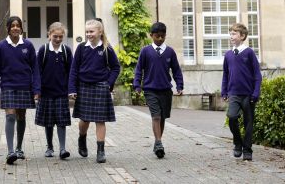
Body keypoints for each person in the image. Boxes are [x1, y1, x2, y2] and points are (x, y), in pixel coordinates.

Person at [68, 18, 121, 163]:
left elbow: (116, 68)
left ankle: (100, 151)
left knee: (100, 120)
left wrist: (108, 84)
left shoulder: (106, 48)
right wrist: (72, 88)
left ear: (100, 32)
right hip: (83, 86)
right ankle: (82, 138)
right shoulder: (81, 48)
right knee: (84, 120)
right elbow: (74, 69)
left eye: (91, 31)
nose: (88, 34)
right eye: (87, 32)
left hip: (100, 87)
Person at [0, 16, 41, 165]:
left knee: (21, 116)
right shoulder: (1, 46)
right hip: (7, 86)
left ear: (21, 28)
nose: (15, 28)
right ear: (8, 28)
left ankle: (19, 148)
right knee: (10, 117)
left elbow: (35, 69)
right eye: (12, 25)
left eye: (17, 25)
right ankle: (10, 151)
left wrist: (36, 88)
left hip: (24, 86)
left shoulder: (28, 45)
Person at [133, 21, 184, 159]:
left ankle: (157, 144)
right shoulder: (145, 51)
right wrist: (137, 85)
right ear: (151, 35)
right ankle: (159, 142)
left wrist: (180, 85)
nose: (160, 39)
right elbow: (139, 69)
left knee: (162, 118)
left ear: (165, 35)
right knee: (155, 116)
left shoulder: (170, 52)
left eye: (162, 36)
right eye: (157, 36)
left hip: (166, 90)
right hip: (150, 90)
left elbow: (176, 70)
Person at [221, 23, 262, 162]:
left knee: (248, 123)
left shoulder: (249, 52)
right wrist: (224, 91)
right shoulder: (228, 55)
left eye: (234, 34)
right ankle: (238, 143)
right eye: (230, 34)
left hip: (249, 95)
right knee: (232, 117)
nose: (231, 36)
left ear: (242, 36)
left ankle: (247, 150)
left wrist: (256, 93)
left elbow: (257, 74)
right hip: (233, 93)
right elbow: (225, 74)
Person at [35, 22, 73, 159]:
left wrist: (71, 90)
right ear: (49, 35)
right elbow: (37, 71)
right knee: (48, 122)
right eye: (55, 36)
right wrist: (37, 90)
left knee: (62, 122)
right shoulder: (43, 50)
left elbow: (71, 72)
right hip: (46, 93)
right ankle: (49, 147)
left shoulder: (67, 51)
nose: (57, 39)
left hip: (61, 93)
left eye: (60, 36)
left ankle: (62, 149)